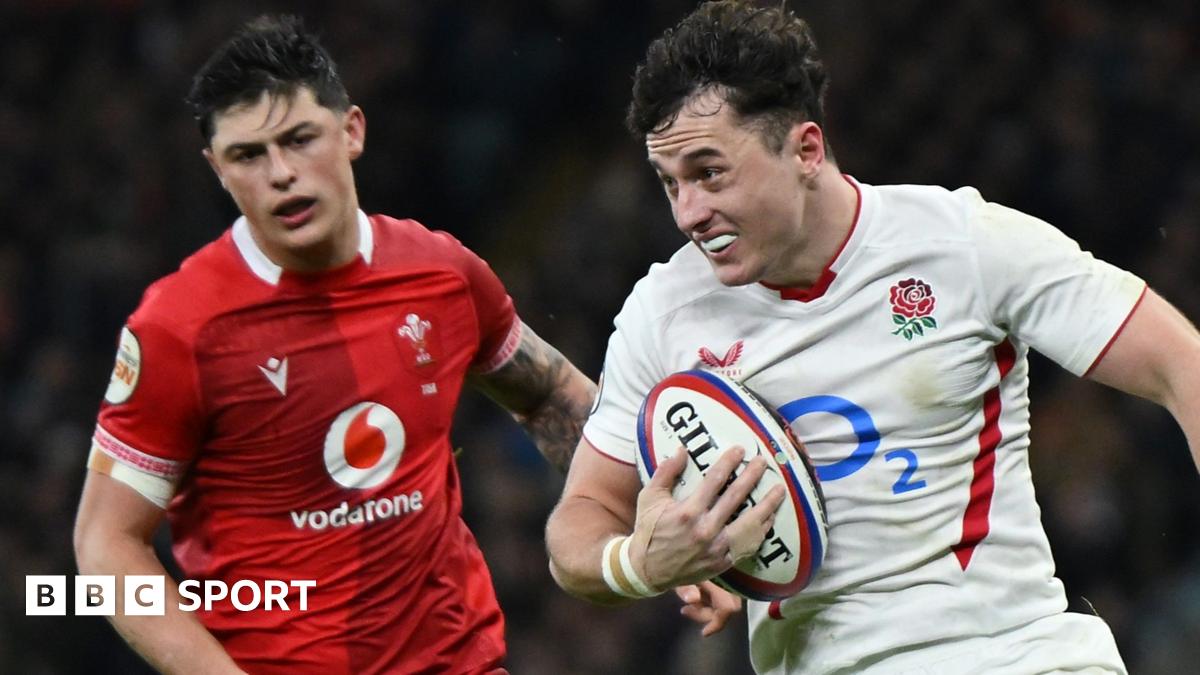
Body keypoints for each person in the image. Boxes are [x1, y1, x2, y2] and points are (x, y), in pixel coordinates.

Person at [544, 1, 1200, 673]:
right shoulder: (663, 311)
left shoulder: (963, 244)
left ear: (805, 149)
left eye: (710, 173)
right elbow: (581, 518)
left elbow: (1182, 364)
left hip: (1015, 656)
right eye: (669, 183)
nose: (688, 212)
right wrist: (637, 562)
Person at [72, 15, 595, 675]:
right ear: (216, 168)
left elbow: (551, 393)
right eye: (248, 155)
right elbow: (104, 545)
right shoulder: (180, 329)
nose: (281, 174)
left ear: (352, 131)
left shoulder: (441, 273)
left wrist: (629, 529)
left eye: (299, 139)